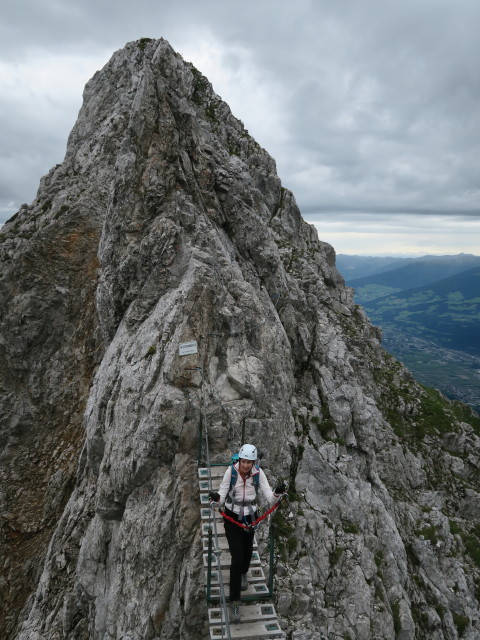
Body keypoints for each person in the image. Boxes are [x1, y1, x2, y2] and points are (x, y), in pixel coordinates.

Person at [209, 443, 286, 624]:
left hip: (250, 519)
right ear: (240, 460)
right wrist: (216, 499)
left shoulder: (259, 474)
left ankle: (244, 572)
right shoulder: (231, 472)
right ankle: (234, 601)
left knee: (247, 552)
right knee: (237, 558)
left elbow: (269, 498)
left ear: (253, 462)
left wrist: (277, 492)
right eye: (243, 462)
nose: (245, 465)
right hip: (232, 518)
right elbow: (221, 496)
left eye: (248, 462)